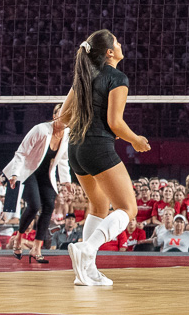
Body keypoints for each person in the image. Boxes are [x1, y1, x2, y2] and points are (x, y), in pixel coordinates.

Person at [61, 29, 152, 287]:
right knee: (128, 208)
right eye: (117, 42)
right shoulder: (117, 77)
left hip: (75, 147)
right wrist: (136, 139)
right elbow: (115, 123)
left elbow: (63, 117)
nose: (121, 44)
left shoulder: (83, 76)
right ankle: (87, 248)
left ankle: (87, 272)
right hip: (97, 147)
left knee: (98, 208)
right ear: (110, 52)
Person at [4, 105, 72, 263]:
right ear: (55, 116)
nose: (67, 118)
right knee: (34, 205)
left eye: (69, 115)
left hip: (46, 174)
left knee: (48, 206)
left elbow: (63, 159)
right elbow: (21, 152)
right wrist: (14, 174)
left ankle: (36, 248)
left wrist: (66, 181)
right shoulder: (40, 129)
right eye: (63, 114)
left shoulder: (67, 133)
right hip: (29, 171)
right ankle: (19, 239)